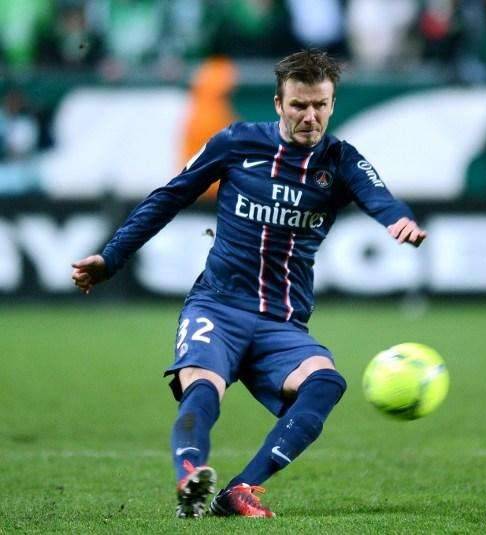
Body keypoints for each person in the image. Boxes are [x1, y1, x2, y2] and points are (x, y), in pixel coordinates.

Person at [70, 49, 427, 519]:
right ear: (279, 103)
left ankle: (240, 489)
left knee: (325, 382)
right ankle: (189, 477)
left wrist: (398, 219)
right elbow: (168, 198)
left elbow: (378, 195)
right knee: (203, 387)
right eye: (299, 105)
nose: (310, 116)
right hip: (217, 307)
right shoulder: (236, 143)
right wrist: (111, 258)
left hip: (282, 321)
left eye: (320, 105)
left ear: (332, 104)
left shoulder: (340, 160)